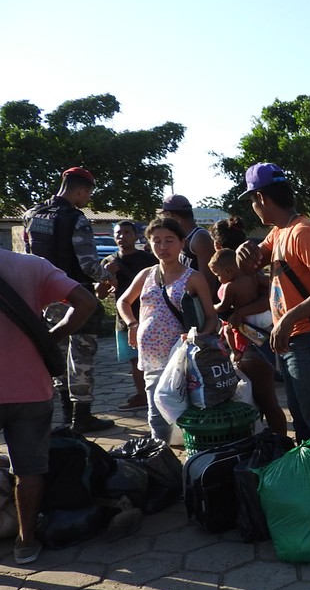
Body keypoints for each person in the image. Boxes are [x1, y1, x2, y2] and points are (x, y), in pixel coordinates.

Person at [236, 163, 310, 445]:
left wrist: (287, 319)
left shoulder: (301, 232)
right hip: (290, 341)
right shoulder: (278, 232)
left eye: (251, 201)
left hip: (306, 339)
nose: (253, 208)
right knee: (301, 417)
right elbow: (249, 264)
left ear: (260, 198)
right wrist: (241, 250)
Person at [1, 250, 98, 564]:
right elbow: (86, 301)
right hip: (30, 386)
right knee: (28, 470)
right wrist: (54, 335)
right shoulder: (32, 266)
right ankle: (25, 542)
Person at [22, 166, 115, 432]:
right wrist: (108, 275)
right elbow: (88, 264)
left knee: (57, 354)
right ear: (81, 190)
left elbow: (30, 256)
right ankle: (82, 417)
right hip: (77, 296)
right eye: (87, 195)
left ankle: (65, 416)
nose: (86, 201)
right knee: (82, 357)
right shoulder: (77, 219)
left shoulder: (32, 214)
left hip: (45, 296)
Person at [117, 218, 217, 443]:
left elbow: (211, 318)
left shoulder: (193, 277)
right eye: (157, 241)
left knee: (186, 414)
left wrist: (198, 337)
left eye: (169, 240)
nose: (163, 247)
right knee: (157, 417)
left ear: (182, 243)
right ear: (149, 244)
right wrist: (132, 324)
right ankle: (162, 462)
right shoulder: (146, 275)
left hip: (181, 362)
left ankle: (192, 458)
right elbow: (123, 302)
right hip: (151, 360)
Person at [208, 248, 286, 435]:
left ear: (228, 271)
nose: (219, 279)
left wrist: (210, 307)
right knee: (268, 401)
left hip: (252, 332)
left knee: (266, 401)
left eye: (218, 276)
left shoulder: (230, 287)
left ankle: (280, 442)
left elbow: (223, 307)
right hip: (265, 321)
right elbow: (272, 286)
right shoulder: (252, 277)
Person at [102, 220, 157, 411]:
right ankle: (142, 396)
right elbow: (100, 294)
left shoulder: (148, 259)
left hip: (150, 316)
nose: (121, 237)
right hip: (125, 319)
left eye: (126, 232)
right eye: (118, 233)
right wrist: (106, 276)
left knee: (155, 359)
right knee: (134, 361)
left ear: (136, 236)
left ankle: (157, 394)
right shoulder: (109, 262)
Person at [161, 194, 217, 295]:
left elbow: (209, 281)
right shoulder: (180, 238)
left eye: (165, 216)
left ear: (172, 215)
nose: (164, 221)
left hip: (199, 304)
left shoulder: (199, 237)